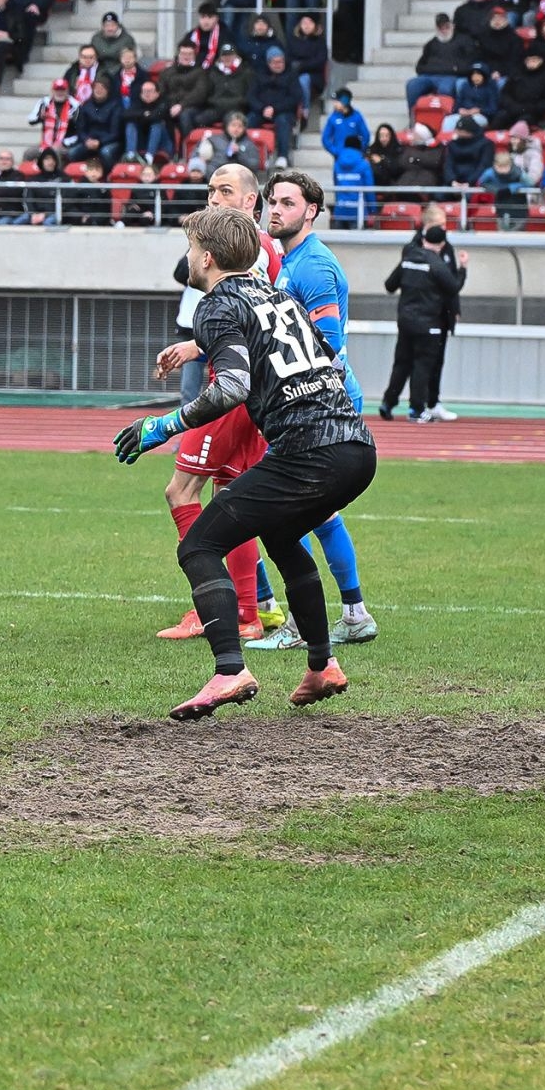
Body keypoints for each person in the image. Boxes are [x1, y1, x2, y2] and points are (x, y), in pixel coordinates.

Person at [114, 204, 377, 721]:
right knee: (280, 536)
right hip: (356, 448)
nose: (188, 256)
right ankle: (322, 665)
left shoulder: (215, 305)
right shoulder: (277, 294)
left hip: (308, 451)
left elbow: (233, 386)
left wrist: (163, 425)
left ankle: (230, 670)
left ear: (207, 258)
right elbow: (324, 355)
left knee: (199, 545)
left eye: (191, 248)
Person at [250, 172, 379, 648]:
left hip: (318, 408)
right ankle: (354, 614)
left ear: (312, 211)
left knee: (284, 513)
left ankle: (302, 623)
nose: (275, 209)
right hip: (311, 405)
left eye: (287, 202)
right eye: (272, 201)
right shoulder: (291, 261)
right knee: (318, 514)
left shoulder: (313, 267)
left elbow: (330, 344)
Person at [155, 164, 281, 645]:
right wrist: (196, 346)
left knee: (180, 491)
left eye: (224, 191)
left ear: (250, 201)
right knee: (230, 499)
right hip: (247, 388)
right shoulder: (259, 248)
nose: (213, 198)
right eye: (210, 190)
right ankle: (247, 611)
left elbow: (245, 320)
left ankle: (209, 606)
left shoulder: (251, 250)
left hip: (230, 393)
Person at [381, 223, 467, 423]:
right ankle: (416, 409)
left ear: (424, 239)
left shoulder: (408, 259)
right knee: (422, 365)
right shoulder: (437, 264)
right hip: (429, 323)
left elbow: (389, 285)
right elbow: (453, 287)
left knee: (401, 363)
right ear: (442, 244)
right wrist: (463, 268)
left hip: (405, 321)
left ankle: (388, 402)